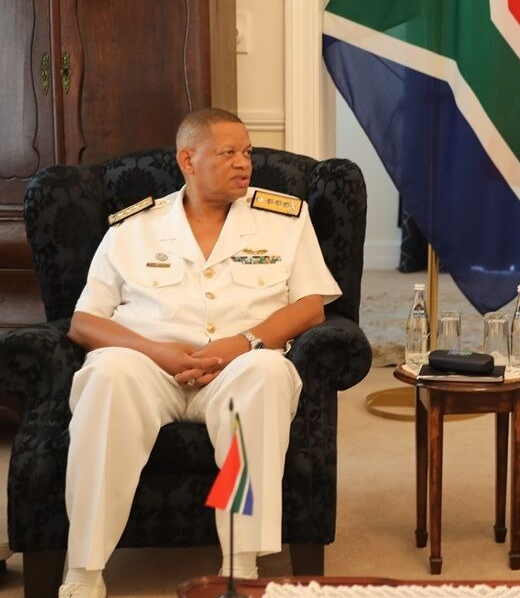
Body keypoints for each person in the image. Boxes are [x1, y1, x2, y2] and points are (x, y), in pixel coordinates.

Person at [58, 108, 341, 598]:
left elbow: (310, 306)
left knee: (268, 374)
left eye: (247, 152)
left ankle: (241, 562)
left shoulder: (284, 220)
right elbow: (84, 322)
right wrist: (156, 352)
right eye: (228, 153)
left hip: (238, 367)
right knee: (107, 375)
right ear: (187, 160)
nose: (244, 163)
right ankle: (84, 570)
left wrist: (243, 343)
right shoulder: (134, 227)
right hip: (147, 369)